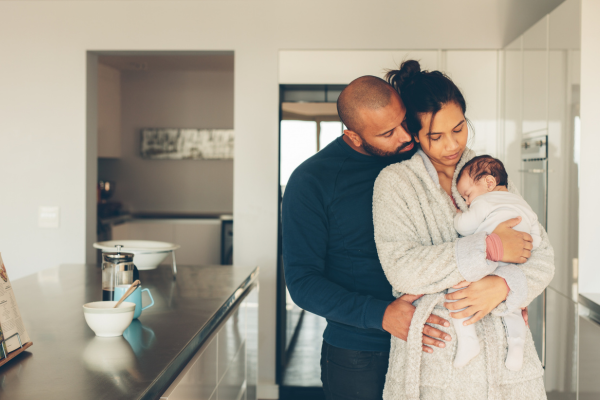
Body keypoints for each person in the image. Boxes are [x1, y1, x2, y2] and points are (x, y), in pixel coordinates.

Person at [282, 75, 535, 400]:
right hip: (361, 354)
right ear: (354, 137)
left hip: (442, 344)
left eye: (405, 122)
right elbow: (303, 282)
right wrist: (381, 314)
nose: (406, 137)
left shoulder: (429, 156)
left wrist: (508, 286)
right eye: (388, 133)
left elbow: (511, 237)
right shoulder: (312, 181)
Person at [373, 60, 554, 399]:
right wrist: (487, 249)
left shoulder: (487, 173)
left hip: (507, 360)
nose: (451, 145)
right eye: (435, 136)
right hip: (437, 363)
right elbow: (401, 269)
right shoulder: (395, 183)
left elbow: (541, 256)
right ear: (414, 134)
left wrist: (503, 285)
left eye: (458, 128)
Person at [451, 154, 542, 371]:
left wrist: (457, 216)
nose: (467, 202)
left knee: (457, 291)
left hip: (489, 260)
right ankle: (517, 347)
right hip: (515, 265)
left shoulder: (484, 201)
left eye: (467, 195)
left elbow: (464, 227)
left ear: (489, 183)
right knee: (513, 308)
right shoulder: (523, 204)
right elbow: (536, 238)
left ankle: (468, 341)